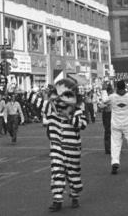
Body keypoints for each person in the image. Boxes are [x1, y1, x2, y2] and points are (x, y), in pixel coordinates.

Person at [40, 77, 87, 211]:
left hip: (72, 148)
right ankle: (57, 200)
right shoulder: (52, 110)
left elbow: (82, 124)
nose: (60, 99)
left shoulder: (77, 111)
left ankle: (74, 196)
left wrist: (69, 116)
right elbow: (44, 116)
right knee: (57, 172)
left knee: (73, 173)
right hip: (57, 146)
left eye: (65, 95)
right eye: (57, 94)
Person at [97, 83, 112, 154]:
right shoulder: (106, 96)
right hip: (107, 114)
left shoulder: (109, 96)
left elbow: (100, 106)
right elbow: (101, 106)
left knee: (109, 131)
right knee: (108, 131)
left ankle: (110, 148)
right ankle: (108, 148)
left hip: (109, 114)